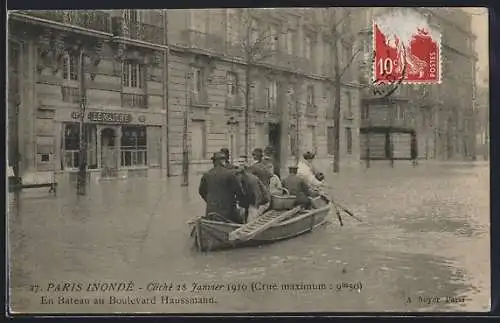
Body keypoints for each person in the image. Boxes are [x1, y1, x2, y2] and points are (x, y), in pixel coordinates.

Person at [199, 152, 245, 224]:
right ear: (224, 162)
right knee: (241, 221)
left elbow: (201, 192)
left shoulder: (207, 174)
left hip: (211, 211)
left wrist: (210, 201)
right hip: (228, 213)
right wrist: (240, 203)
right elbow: (239, 192)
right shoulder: (230, 174)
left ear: (214, 162)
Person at [233, 156, 271, 223]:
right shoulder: (239, 180)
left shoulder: (251, 180)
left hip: (263, 201)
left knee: (251, 220)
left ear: (241, 175)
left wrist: (255, 210)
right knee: (242, 214)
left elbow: (258, 196)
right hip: (250, 200)